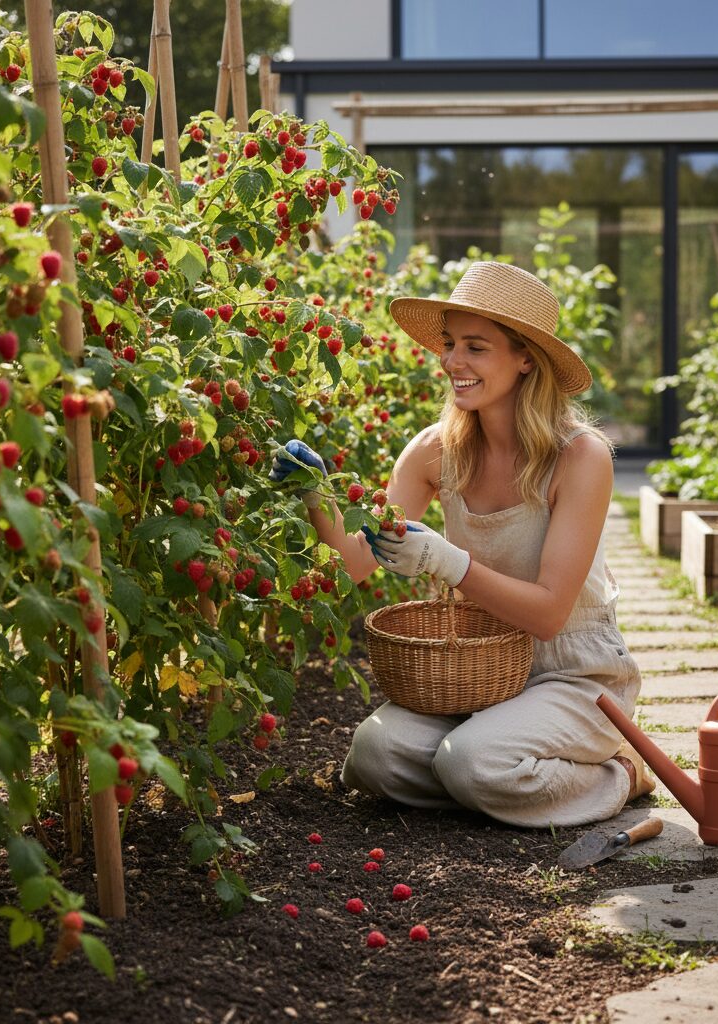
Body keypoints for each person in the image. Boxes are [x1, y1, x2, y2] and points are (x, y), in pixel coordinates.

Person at [270, 260, 654, 828]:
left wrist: (445, 560)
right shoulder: (434, 451)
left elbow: (549, 613)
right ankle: (494, 775)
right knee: (374, 756)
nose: (452, 362)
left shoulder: (579, 456)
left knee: (474, 761)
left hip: (572, 674)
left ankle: (618, 770)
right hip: (477, 671)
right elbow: (351, 563)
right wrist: (315, 495)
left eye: (476, 347)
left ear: (526, 358)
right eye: (449, 344)